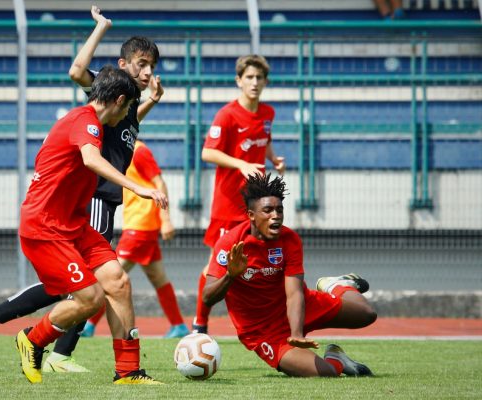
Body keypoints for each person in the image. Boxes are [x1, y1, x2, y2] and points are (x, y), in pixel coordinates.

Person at [0, 5, 164, 374]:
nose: (149, 70)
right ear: (122, 72)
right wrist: (141, 187)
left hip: (77, 215)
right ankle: (45, 345)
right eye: (142, 63)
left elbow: (119, 134)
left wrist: (149, 102)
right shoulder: (89, 116)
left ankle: (128, 372)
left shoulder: (125, 104)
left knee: (115, 282)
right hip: (68, 213)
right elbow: (91, 148)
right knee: (85, 292)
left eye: (153, 64)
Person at [202, 173, 377, 377]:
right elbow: (207, 297)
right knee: (326, 373)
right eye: (267, 210)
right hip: (263, 331)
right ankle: (336, 359)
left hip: (298, 307)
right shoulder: (230, 244)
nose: (275, 215)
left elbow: (294, 294)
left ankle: (336, 285)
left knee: (367, 314)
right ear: (251, 215)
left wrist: (296, 334)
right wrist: (231, 276)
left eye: (279, 210)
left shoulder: (290, 240)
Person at [192, 54, 286, 334]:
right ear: (238, 81)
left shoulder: (268, 113)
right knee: (214, 264)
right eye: (249, 77)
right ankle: (199, 324)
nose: (254, 82)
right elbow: (207, 152)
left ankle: (270, 322)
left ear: (266, 82)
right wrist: (241, 163)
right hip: (227, 205)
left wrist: (273, 158)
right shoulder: (227, 114)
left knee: (264, 260)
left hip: (255, 206)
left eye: (259, 78)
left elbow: (264, 139)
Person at [80, 140, 190, 338]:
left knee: (111, 276)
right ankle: (178, 325)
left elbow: (160, 183)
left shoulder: (139, 152)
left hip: (140, 227)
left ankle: (88, 325)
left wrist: (166, 219)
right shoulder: (120, 151)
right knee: (158, 278)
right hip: (140, 225)